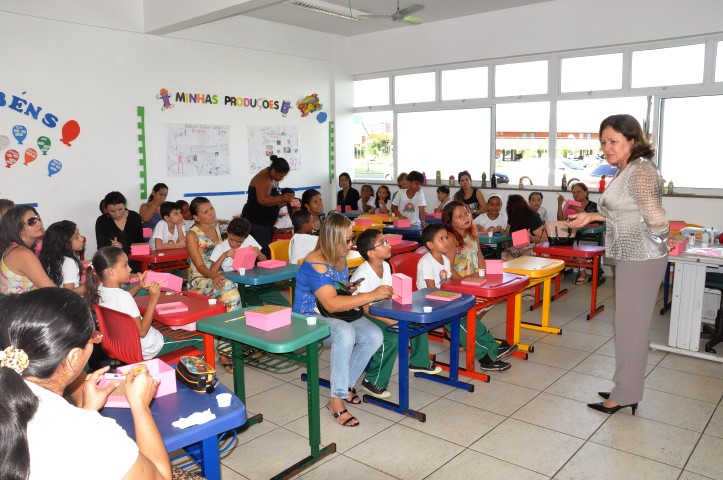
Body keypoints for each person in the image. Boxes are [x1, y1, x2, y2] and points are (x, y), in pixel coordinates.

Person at [0, 288, 173, 480]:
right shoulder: (91, 434)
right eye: (93, 337)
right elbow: (162, 477)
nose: (95, 342)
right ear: (73, 358)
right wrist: (141, 406)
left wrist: (86, 411)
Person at [567, 114, 671, 415]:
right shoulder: (627, 168)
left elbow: (655, 219)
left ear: (632, 140)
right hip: (632, 256)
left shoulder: (640, 171)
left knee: (631, 327)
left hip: (641, 257)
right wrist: (591, 217)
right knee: (627, 325)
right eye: (603, 142)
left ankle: (626, 394)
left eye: (613, 141)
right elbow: (625, 212)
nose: (607, 148)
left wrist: (661, 238)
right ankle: (625, 385)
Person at [292, 213, 391, 427]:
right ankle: (336, 401)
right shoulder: (316, 264)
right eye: (346, 240)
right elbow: (331, 304)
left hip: (330, 314)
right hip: (308, 317)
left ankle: (345, 386)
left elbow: (335, 290)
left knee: (374, 335)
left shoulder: (339, 256)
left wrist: (348, 289)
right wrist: (372, 295)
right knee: (345, 333)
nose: (351, 244)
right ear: (331, 240)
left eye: (351, 238)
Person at [352, 229, 440, 399]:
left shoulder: (385, 265)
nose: (388, 244)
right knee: (390, 337)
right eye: (383, 243)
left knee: (415, 320)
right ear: (371, 253)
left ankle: (419, 362)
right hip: (365, 315)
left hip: (382, 309)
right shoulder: (363, 273)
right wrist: (390, 322)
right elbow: (366, 309)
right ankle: (373, 381)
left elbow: (390, 293)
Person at [85, 246, 203, 360]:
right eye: (125, 265)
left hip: (124, 346)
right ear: (111, 271)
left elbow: (120, 300)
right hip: (149, 347)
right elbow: (142, 332)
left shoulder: (99, 291)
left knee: (164, 325)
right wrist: (153, 300)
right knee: (200, 338)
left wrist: (138, 287)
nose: (130, 269)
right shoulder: (123, 297)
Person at [442, 202, 516, 371]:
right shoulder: (451, 238)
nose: (466, 218)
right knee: (465, 318)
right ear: (450, 221)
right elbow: (448, 269)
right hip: (456, 284)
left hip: (473, 280)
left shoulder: (472, 233)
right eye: (459, 216)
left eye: (467, 214)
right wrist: (465, 287)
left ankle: (461, 337)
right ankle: (489, 353)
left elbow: (480, 256)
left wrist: (484, 276)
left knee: (488, 303)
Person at [209, 217, 288, 307]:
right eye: (232, 239)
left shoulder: (249, 240)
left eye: (239, 242)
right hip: (239, 287)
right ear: (227, 232)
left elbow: (264, 260)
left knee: (285, 305)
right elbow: (212, 271)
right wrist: (224, 255)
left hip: (256, 283)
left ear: (245, 237)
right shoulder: (220, 248)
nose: (235, 244)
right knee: (256, 310)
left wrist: (259, 254)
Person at [185, 197, 242, 313]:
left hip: (221, 272)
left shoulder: (218, 226)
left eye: (211, 208)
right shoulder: (192, 235)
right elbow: (200, 266)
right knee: (228, 288)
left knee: (245, 282)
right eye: (205, 212)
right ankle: (234, 324)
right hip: (201, 279)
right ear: (196, 217)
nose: (211, 213)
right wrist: (213, 276)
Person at [241, 155, 295, 257]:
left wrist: (289, 201)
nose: (281, 178)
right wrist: (283, 197)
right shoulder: (264, 178)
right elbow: (263, 200)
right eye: (280, 176)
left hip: (264, 223)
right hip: (256, 223)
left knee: (264, 252)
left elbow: (272, 203)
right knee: (260, 253)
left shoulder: (271, 177)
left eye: (283, 176)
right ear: (273, 171)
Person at [0, 206, 55, 294]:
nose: (39, 223)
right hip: (20, 307)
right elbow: (52, 291)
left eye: (38, 218)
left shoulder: (13, 249)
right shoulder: (22, 253)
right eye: (32, 222)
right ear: (17, 228)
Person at [557, 182, 599, 284]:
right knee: (560, 244)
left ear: (586, 192)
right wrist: (560, 204)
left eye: (579, 192)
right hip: (573, 237)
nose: (576, 194)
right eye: (574, 193)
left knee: (579, 245)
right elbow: (561, 219)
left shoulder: (593, 206)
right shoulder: (571, 205)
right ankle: (560, 269)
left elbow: (596, 225)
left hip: (589, 237)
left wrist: (579, 223)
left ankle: (582, 273)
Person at [95, 191, 144, 271]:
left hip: (135, 262)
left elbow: (140, 244)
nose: (117, 214)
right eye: (112, 211)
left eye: (120, 209)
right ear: (106, 209)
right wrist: (111, 247)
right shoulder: (102, 221)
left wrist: (124, 247)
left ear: (125, 205)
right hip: (113, 264)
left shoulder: (134, 217)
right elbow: (101, 248)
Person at [39, 220, 86, 295]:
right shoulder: (70, 262)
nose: (82, 238)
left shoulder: (51, 258)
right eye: (76, 237)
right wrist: (89, 287)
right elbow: (69, 293)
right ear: (64, 243)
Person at [503, 194, 546, 260]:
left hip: (533, 246)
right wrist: (499, 230)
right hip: (518, 247)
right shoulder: (512, 216)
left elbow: (546, 239)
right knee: (503, 256)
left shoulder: (533, 217)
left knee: (524, 257)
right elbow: (507, 232)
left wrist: (530, 237)